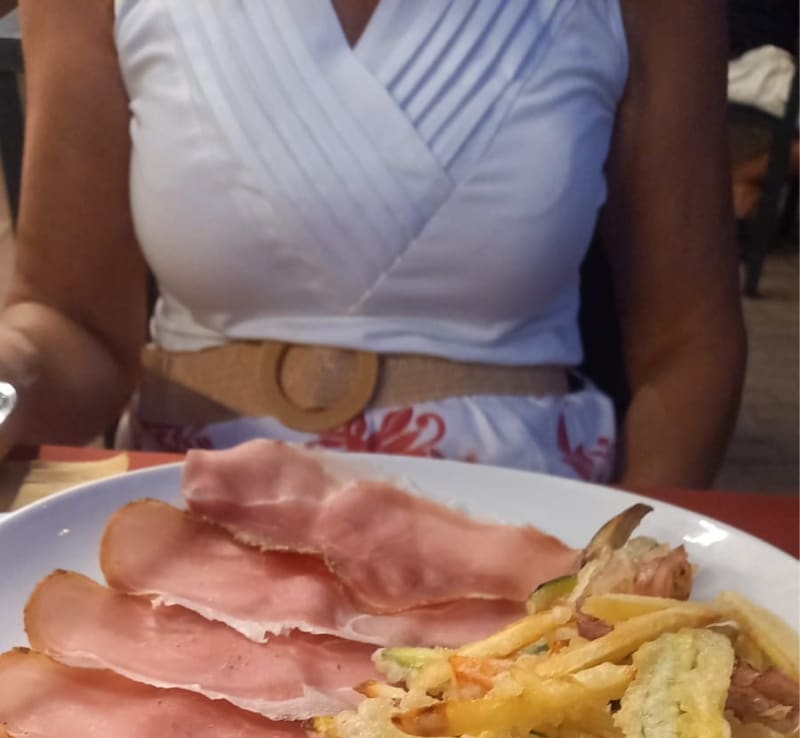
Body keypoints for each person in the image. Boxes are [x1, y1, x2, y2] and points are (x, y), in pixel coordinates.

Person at [0, 0, 745, 487]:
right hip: (186, 528)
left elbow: (688, 348)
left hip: (531, 541)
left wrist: (626, 589)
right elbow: (74, 332)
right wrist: (12, 374)